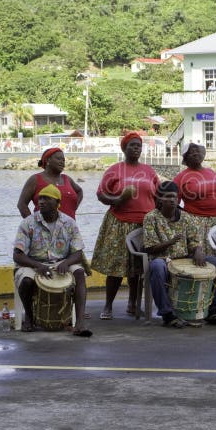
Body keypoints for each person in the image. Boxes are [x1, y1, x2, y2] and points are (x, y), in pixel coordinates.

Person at [142, 181, 216, 327]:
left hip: (186, 258)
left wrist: (198, 251)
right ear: (159, 199)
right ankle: (167, 314)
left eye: (174, 197)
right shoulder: (151, 217)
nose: (172, 200)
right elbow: (150, 248)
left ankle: (213, 309)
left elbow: (194, 241)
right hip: (163, 259)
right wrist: (170, 242)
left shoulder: (186, 217)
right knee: (156, 267)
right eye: (168, 197)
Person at [91, 132, 159, 319]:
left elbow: (157, 195)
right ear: (124, 148)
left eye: (139, 146)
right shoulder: (114, 170)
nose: (136, 148)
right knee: (116, 267)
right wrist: (117, 199)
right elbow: (101, 194)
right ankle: (108, 306)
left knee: (137, 268)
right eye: (132, 145)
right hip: (119, 222)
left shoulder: (149, 171)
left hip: (143, 224)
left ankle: (133, 304)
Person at [13, 184, 91, 336]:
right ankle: (29, 316)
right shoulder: (28, 222)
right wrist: (38, 266)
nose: (41, 202)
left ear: (57, 203)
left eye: (47, 199)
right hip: (32, 263)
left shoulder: (69, 223)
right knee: (26, 281)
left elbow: (78, 253)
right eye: (40, 198)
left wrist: (66, 263)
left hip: (61, 262)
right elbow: (17, 255)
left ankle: (80, 322)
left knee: (79, 273)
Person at [173, 143, 216, 255]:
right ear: (185, 157)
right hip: (199, 222)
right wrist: (188, 217)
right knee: (205, 256)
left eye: (197, 151)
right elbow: (173, 203)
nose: (195, 153)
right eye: (191, 152)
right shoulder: (181, 177)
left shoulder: (211, 172)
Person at [17, 147, 83, 219]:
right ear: (48, 160)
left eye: (63, 160)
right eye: (58, 159)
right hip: (44, 225)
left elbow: (79, 191)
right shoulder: (35, 179)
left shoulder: (67, 179)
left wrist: (73, 208)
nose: (62, 162)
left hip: (69, 225)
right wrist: (33, 223)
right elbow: (22, 205)